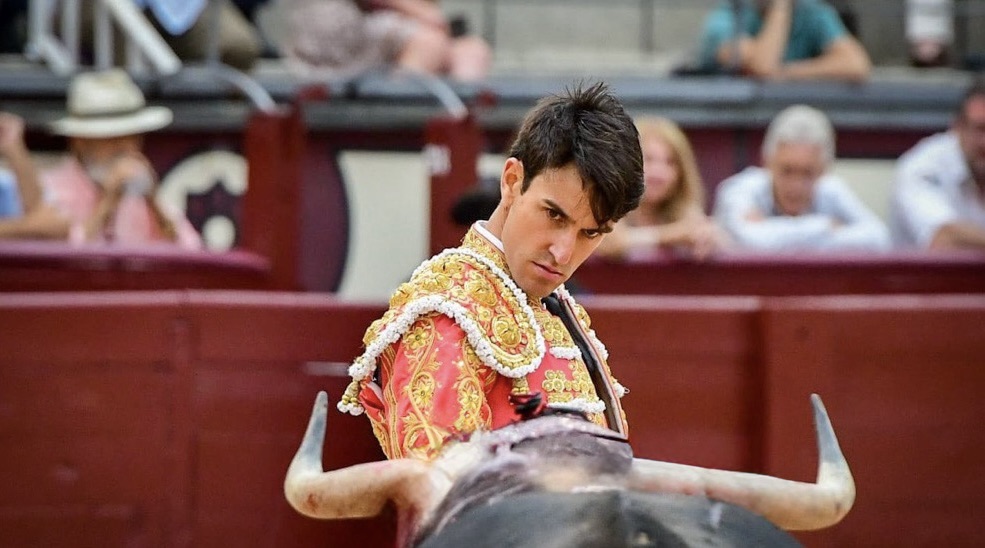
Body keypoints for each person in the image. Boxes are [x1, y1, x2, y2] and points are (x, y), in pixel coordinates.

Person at [337, 82, 644, 460]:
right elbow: (446, 493)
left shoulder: (558, 310)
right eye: (553, 214)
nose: (564, 252)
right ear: (512, 181)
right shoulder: (444, 314)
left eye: (591, 232)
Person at [3, 69, 202, 248]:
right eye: (112, 139)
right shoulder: (49, 192)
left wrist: (154, 203)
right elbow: (62, 262)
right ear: (81, 141)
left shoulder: (141, 191)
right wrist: (107, 204)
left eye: (133, 137)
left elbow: (191, 252)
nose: (127, 148)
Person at [713, 104, 890, 252]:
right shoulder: (738, 190)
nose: (796, 185)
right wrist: (824, 227)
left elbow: (879, 239)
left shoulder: (832, 190)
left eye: (807, 173)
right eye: (787, 170)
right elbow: (751, 242)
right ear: (767, 163)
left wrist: (772, 231)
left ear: (823, 171)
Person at [595, 117, 730, 261]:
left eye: (670, 162)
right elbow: (612, 243)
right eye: (649, 159)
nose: (659, 173)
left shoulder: (683, 210)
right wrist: (672, 235)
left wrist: (710, 237)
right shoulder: (605, 202)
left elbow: (712, 239)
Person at [284, 0, 492, 82]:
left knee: (472, 52)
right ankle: (403, 120)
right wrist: (422, 13)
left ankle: (464, 135)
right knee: (429, 44)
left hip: (379, 32)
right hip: (331, 41)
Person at [890, 78, 985, 251]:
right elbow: (945, 239)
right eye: (981, 129)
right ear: (957, 128)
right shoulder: (922, 167)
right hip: (922, 278)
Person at [697, 0, 871, 82]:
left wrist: (786, 73)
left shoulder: (812, 12)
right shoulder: (726, 16)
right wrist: (780, 7)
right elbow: (763, 67)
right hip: (738, 129)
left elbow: (857, 64)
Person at [0, 112, 67, 238]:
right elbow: (41, 225)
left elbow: (47, 219)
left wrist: (13, 148)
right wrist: (28, 227)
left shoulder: (4, 184)